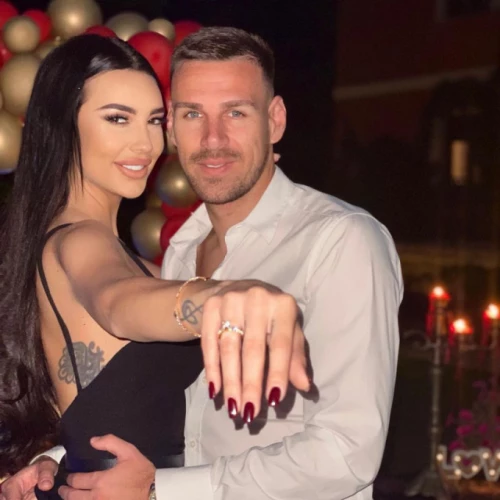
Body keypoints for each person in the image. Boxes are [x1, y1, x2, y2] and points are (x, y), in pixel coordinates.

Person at [2, 27, 403, 500]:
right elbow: (117, 304)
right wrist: (66, 458)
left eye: (236, 112)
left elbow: (346, 452)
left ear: (274, 121)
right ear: (176, 128)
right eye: (192, 114)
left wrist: (156, 487)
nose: (214, 138)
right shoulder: (178, 249)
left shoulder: (339, 240)